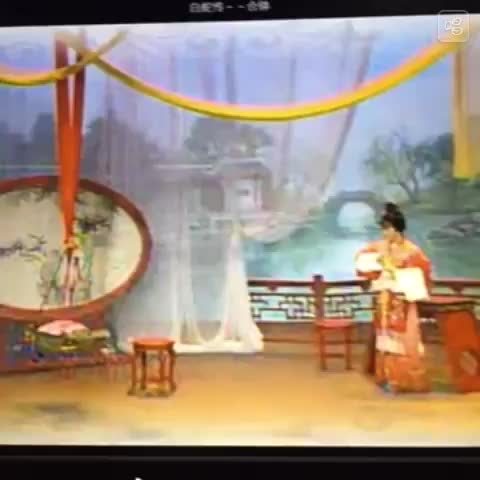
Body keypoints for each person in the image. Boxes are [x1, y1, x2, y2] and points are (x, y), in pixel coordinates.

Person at [356, 202, 432, 393]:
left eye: (387, 229)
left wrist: (397, 273)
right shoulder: (379, 247)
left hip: (403, 299)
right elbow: (362, 260)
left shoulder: (412, 250)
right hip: (385, 297)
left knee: (404, 339)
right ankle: (386, 376)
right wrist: (374, 267)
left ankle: (405, 378)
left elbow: (422, 271)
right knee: (385, 338)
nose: (384, 233)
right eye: (383, 229)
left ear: (397, 229)